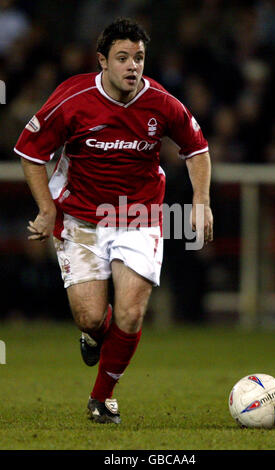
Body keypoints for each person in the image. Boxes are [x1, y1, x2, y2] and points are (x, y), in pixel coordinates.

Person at [14, 18, 213, 424]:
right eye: (122, 58)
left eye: (139, 58)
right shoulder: (73, 98)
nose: (132, 66)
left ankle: (102, 399)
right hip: (80, 217)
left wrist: (201, 200)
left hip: (138, 215)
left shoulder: (162, 102)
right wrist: (48, 208)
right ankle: (93, 332)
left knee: (131, 313)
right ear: (102, 61)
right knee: (90, 316)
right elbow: (31, 152)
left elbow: (197, 148)